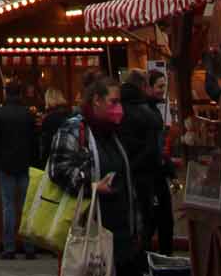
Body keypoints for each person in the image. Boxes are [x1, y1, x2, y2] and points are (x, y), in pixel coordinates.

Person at [47, 76, 143, 276]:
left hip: (121, 232)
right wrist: (91, 185)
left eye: (120, 103)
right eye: (113, 102)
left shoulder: (113, 132)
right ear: (97, 100)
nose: (119, 108)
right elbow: (58, 169)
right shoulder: (74, 128)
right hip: (91, 229)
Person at [117, 74, 170, 259]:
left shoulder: (118, 111)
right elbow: (153, 150)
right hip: (146, 176)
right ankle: (146, 258)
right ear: (144, 87)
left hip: (122, 173)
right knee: (148, 222)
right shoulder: (147, 113)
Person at [0, 81, 38, 260]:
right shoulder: (27, 114)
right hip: (25, 165)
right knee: (26, 206)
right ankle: (29, 246)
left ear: (6, 93)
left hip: (6, 165)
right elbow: (34, 141)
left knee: (8, 206)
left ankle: (9, 247)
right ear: (20, 94)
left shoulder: (0, 115)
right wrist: (35, 162)